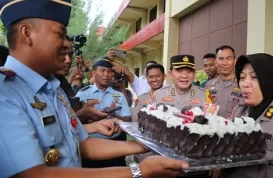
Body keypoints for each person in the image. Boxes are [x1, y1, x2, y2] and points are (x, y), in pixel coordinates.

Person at [0, 1, 188, 177]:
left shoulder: (53, 89)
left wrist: (145, 146)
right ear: (27, 33)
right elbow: (34, 174)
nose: (66, 44)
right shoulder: (5, 93)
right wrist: (139, 171)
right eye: (59, 34)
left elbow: (84, 145)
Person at [227, 53, 273, 178]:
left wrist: (241, 174)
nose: (245, 84)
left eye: (254, 77)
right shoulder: (238, 112)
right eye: (242, 77)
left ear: (270, 81)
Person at [205, 45, 243, 118]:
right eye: (221, 59)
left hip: (235, 128)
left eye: (228, 58)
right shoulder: (209, 85)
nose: (224, 63)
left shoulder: (242, 84)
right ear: (216, 62)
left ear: (235, 61)